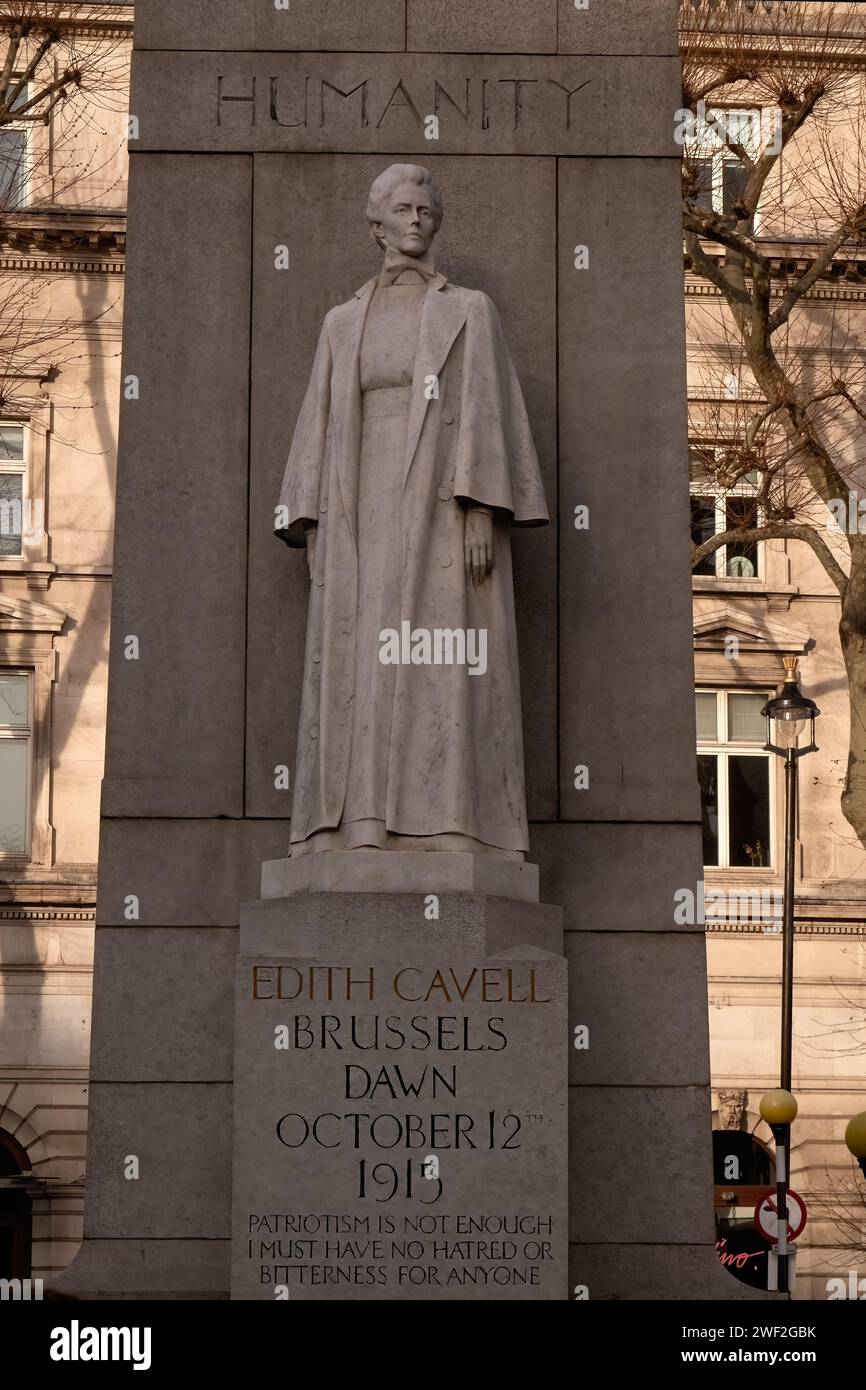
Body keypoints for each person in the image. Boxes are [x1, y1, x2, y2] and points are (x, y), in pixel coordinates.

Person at [275, 163, 548, 860]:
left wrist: (484, 507)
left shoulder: (470, 310)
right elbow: (319, 420)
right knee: (362, 660)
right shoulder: (342, 322)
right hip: (359, 505)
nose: (417, 218)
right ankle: (356, 823)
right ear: (377, 223)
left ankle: (452, 823)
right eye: (403, 208)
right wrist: (310, 520)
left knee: (442, 659)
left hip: (442, 504)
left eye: (427, 209)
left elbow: (487, 411)